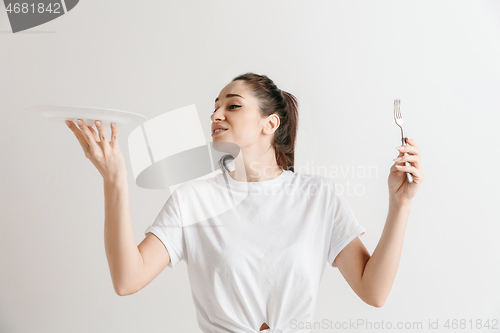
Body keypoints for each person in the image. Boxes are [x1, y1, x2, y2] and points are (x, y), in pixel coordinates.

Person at [65, 72, 424, 333]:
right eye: (215, 107)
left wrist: (400, 205)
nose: (216, 115)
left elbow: (373, 291)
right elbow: (128, 280)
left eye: (232, 106)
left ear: (270, 123)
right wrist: (114, 181)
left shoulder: (317, 197)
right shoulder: (194, 200)